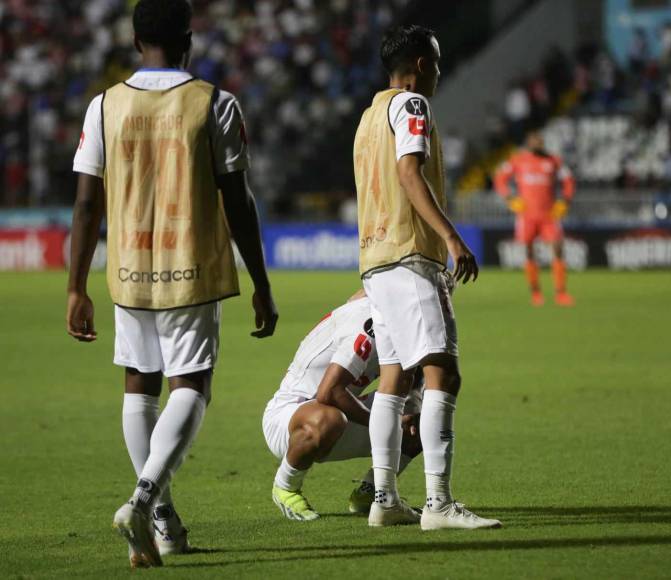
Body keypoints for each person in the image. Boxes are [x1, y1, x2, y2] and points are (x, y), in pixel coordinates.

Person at [66, 0, 278, 568]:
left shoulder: (104, 106)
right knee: (192, 386)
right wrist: (260, 280)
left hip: (129, 270)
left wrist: (75, 287)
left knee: (139, 387)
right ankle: (144, 499)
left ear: (136, 42)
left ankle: (162, 523)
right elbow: (239, 200)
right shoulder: (215, 104)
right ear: (188, 40)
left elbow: (87, 203)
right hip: (192, 269)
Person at [352, 24, 500, 530]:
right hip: (411, 254)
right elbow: (409, 172)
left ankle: (386, 498)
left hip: (375, 258)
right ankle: (438, 503)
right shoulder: (411, 106)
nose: (438, 71)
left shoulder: (368, 117)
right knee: (443, 372)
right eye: (435, 62)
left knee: (393, 380)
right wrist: (452, 237)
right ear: (419, 65)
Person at [262, 291, 422, 521]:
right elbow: (328, 392)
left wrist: (412, 404)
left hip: (342, 414)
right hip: (291, 419)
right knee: (329, 418)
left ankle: (373, 491)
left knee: (425, 418)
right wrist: (383, 422)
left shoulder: (393, 310)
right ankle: (285, 486)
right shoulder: (370, 325)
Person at [494, 130, 576, 307]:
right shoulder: (518, 160)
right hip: (527, 215)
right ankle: (536, 293)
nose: (539, 144)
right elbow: (500, 178)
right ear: (529, 143)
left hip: (549, 215)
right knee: (529, 252)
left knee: (558, 248)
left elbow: (569, 180)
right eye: (536, 142)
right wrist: (510, 198)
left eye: (541, 141)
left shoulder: (553, 161)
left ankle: (561, 293)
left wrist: (565, 200)